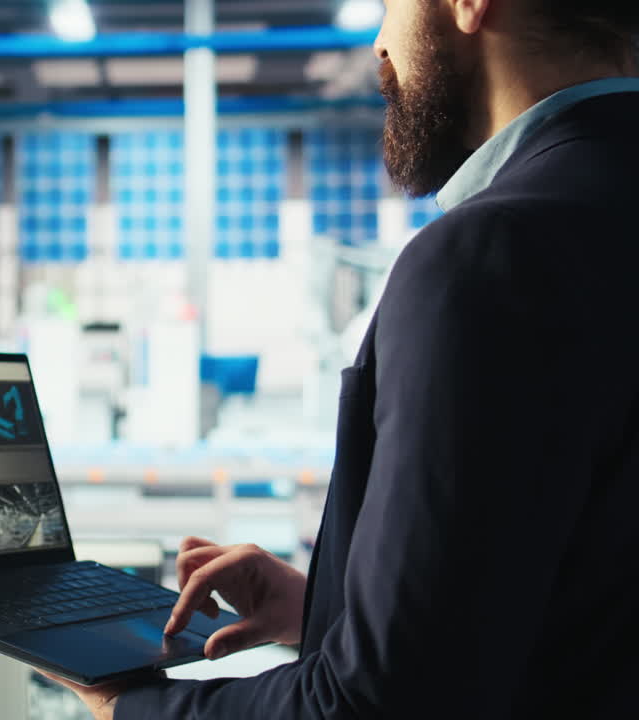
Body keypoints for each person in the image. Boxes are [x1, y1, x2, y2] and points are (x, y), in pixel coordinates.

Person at [44, 1, 639, 718]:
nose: (380, 44)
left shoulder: (489, 256)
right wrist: (331, 607)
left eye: (391, 6)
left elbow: (378, 706)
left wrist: (130, 706)